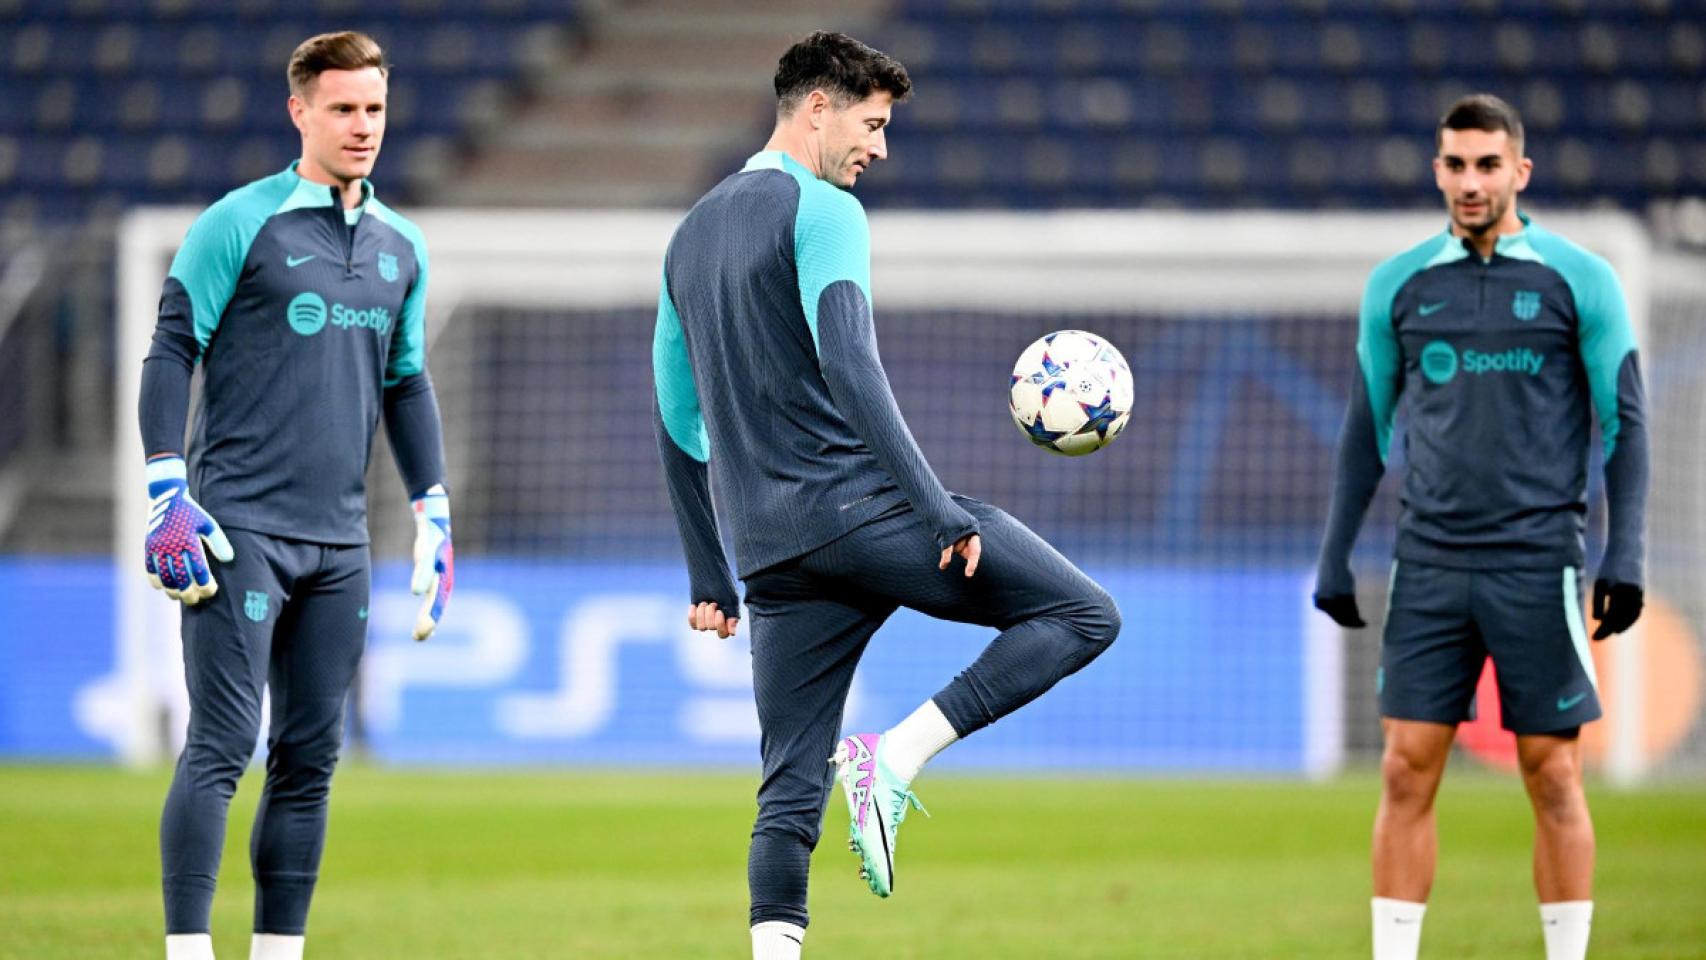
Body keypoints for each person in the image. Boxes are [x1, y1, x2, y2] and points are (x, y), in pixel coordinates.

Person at [651, 30, 1121, 960]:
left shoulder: (689, 232)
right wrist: (936, 508)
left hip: (770, 553)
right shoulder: (823, 209)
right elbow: (851, 363)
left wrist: (711, 574)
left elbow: (674, 415)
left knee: (786, 790)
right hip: (860, 515)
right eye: (871, 124)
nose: (880, 146)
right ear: (816, 109)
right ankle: (893, 757)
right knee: (1084, 615)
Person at [140, 31, 452, 960]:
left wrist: (432, 508)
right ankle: (188, 951)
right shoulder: (238, 223)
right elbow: (169, 350)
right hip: (239, 532)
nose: (363, 127)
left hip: (340, 544)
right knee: (222, 746)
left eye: (376, 110)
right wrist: (167, 490)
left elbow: (406, 382)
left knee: (312, 763)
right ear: (300, 112)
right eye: (344, 109)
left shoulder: (404, 246)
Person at [1313, 94, 1647, 960]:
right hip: (1429, 562)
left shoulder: (1582, 279)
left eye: (1487, 164)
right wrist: (1335, 555)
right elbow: (1365, 430)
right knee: (1403, 767)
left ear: (1519, 172)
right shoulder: (1399, 284)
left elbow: (1626, 425)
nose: (1471, 181)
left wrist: (1628, 552)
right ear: (1438, 171)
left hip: (1541, 563)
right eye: (1456, 165)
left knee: (1553, 772)